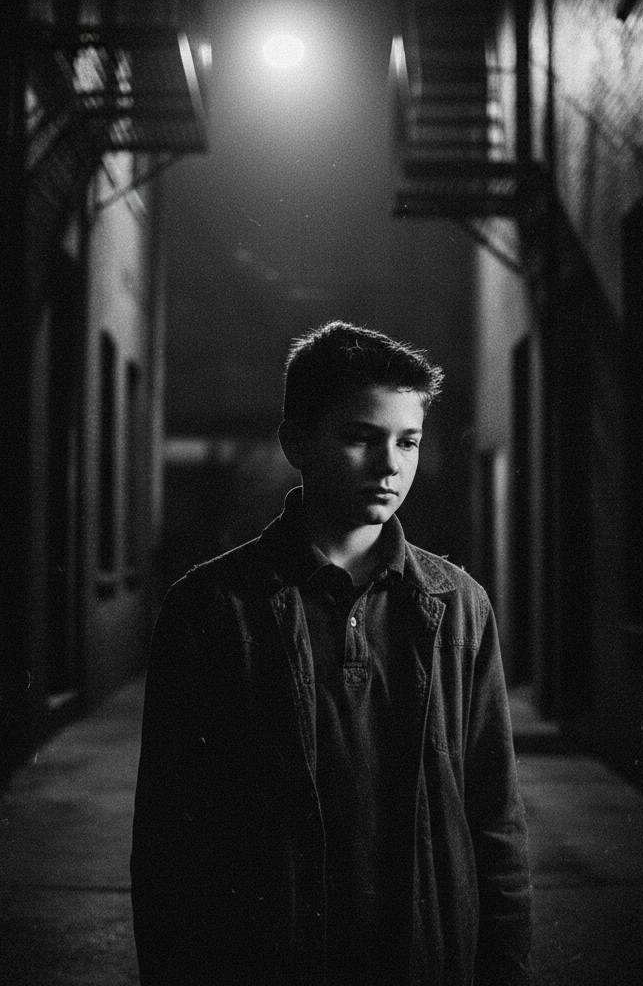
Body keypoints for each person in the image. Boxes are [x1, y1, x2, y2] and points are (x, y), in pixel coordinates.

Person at [131, 321, 532, 986]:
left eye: (408, 441)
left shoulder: (460, 606)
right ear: (297, 442)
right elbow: (169, 843)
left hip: (424, 959)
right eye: (361, 437)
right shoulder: (210, 609)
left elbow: (496, 827)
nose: (390, 465)